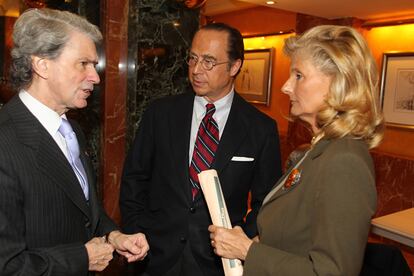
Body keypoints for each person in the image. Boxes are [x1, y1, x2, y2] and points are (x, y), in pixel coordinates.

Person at [208, 25, 384, 276]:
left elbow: (332, 272)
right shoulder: (316, 151)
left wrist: (247, 250)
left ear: (338, 83)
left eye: (299, 75)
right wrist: (250, 242)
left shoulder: (345, 161)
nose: (286, 87)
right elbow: (295, 238)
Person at [120, 22, 282, 276]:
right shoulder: (160, 114)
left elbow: (267, 203)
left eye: (208, 61)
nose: (196, 70)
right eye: (193, 58)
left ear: (235, 66)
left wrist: (241, 243)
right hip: (155, 257)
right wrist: (137, 231)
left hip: (217, 264)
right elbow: (134, 178)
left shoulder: (261, 128)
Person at [0, 8, 149, 275]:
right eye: (83, 64)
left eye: (94, 64)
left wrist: (113, 236)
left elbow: (83, 208)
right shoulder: (5, 142)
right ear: (42, 64)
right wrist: (82, 258)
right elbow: (7, 265)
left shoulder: (73, 130)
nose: (96, 76)